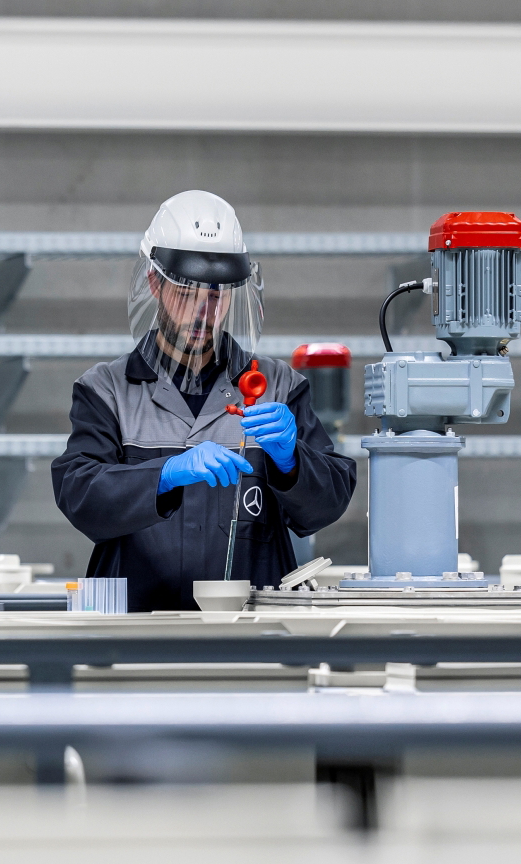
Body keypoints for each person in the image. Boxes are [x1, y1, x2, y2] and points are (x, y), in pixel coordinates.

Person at [51, 190, 356, 610]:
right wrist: (163, 475)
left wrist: (293, 462)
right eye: (187, 292)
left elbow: (328, 504)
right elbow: (79, 493)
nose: (203, 311)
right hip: (136, 629)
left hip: (252, 630)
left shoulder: (278, 385)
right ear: (154, 283)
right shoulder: (107, 390)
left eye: (216, 294)